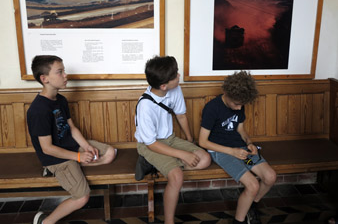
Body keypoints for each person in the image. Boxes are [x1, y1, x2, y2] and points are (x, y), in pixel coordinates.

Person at [27, 55, 117, 224]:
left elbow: (72, 128)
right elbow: (47, 148)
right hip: (55, 158)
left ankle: (73, 166)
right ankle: (45, 221)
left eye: (64, 71)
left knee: (110, 153)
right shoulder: (38, 110)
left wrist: (85, 147)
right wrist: (78, 157)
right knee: (82, 197)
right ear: (44, 78)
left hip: (72, 147)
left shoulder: (60, 100)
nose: (65, 75)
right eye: (60, 72)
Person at [134, 55, 211, 224]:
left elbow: (181, 115)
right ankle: (169, 221)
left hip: (170, 139)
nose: (179, 76)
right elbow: (151, 143)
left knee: (205, 159)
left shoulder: (174, 89)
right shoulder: (145, 106)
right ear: (163, 85)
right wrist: (184, 155)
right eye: (175, 75)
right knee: (177, 177)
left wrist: (190, 140)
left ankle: (159, 164)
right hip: (150, 145)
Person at [199, 71, 277, 224]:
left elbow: (240, 130)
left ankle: (251, 205)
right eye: (236, 104)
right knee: (253, 184)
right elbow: (203, 142)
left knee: (270, 177)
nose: (239, 108)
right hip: (221, 151)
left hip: (241, 151)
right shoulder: (212, 108)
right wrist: (232, 151)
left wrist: (249, 143)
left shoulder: (240, 104)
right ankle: (239, 220)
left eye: (242, 105)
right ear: (226, 92)